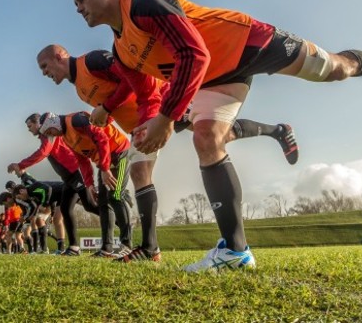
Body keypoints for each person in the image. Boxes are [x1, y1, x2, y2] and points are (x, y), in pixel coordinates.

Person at [66, 0, 362, 272]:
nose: (79, 7)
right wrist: (150, 124)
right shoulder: (120, 51)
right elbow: (148, 95)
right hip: (218, 77)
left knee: (336, 69)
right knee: (206, 138)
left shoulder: (144, 3)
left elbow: (192, 54)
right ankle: (236, 251)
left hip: (250, 42)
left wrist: (165, 119)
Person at [36, 45, 298, 263]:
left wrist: (107, 107)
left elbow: (134, 78)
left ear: (59, 55)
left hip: (161, 106)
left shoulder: (91, 61)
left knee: (218, 134)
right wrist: (109, 114)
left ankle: (276, 130)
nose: (44, 73)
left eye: (45, 66)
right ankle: (150, 249)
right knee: (143, 170)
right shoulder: (78, 87)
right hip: (141, 125)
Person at [39, 111, 133, 258]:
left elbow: (101, 138)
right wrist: (89, 184)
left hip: (118, 153)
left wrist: (105, 168)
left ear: (53, 122)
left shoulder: (76, 120)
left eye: (50, 130)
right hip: (104, 162)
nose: (52, 134)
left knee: (115, 196)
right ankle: (106, 249)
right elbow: (82, 160)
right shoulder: (66, 137)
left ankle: (127, 245)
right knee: (103, 202)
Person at [7, 113, 93, 254]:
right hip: (68, 178)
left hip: (75, 174)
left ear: (38, 124)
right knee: (66, 209)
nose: (29, 129)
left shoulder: (48, 134)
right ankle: (73, 248)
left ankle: (117, 226)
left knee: (90, 205)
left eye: (30, 126)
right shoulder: (46, 135)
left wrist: (20, 165)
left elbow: (43, 153)